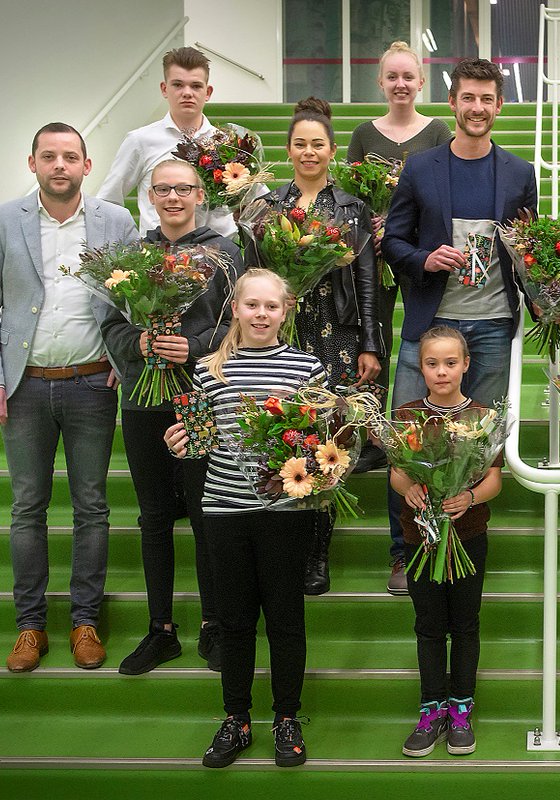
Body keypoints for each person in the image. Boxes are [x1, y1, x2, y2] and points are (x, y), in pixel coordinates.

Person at [0, 123, 137, 672]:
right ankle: (30, 626)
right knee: (27, 508)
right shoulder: (2, 221)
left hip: (92, 383)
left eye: (70, 156)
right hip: (23, 386)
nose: (59, 165)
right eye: (49, 156)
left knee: (92, 507)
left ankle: (85, 621)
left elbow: (135, 298)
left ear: (88, 166)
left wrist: (122, 358)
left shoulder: (116, 220)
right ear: (33, 163)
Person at [382, 56, 536, 596]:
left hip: (493, 326)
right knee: (407, 440)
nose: (477, 108)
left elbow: (530, 252)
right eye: (467, 98)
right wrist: (426, 258)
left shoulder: (519, 173)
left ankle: (464, 544)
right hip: (432, 325)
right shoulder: (421, 168)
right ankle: (405, 551)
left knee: (479, 444)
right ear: (452, 103)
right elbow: (393, 242)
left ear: (499, 105)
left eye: (487, 99)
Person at [165, 269, 325, 769]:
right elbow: (203, 439)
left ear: (286, 311)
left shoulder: (307, 369)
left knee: (285, 619)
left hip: (285, 513)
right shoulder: (208, 370)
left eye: (271, 307)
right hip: (225, 511)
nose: (261, 314)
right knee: (233, 622)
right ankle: (236, 719)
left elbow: (322, 442)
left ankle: (286, 718)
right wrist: (183, 442)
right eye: (251, 305)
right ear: (235, 308)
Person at [100, 158, 244, 675]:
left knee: (207, 517)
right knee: (154, 517)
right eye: (163, 189)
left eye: (184, 188)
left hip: (201, 398)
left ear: (201, 194)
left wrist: (197, 345)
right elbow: (110, 327)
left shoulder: (226, 253)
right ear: (149, 195)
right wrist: (137, 341)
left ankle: (214, 625)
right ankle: (160, 628)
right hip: (142, 400)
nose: (174, 197)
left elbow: (240, 324)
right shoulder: (131, 255)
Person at [245, 97, 384, 596]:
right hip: (278, 336)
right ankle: (286, 546)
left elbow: (367, 282)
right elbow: (252, 278)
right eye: (300, 144)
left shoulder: (352, 208)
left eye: (318, 144)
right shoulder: (266, 210)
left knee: (326, 442)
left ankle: (317, 554)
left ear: (332, 151)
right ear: (288, 150)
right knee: (282, 434)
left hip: (337, 336)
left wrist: (371, 343)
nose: (309, 152)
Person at [346, 40, 453, 596]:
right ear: (381, 81)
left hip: (421, 274)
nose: (401, 84)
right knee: (376, 356)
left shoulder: (438, 134)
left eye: (409, 76)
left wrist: (405, 238)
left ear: (422, 80)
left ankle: (440, 529)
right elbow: (350, 201)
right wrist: (375, 235)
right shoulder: (363, 136)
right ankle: (401, 543)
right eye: (392, 77)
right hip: (374, 257)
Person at [393, 326, 504, 759]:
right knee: (428, 625)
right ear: (421, 368)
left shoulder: (482, 417)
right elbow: (398, 472)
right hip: (420, 535)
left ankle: (461, 707)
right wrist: (409, 489)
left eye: (450, 363)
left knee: (465, 622)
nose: (442, 372)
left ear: (466, 365)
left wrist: (470, 496)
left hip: (468, 533)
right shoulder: (406, 415)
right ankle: (431, 707)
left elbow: (494, 478)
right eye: (432, 364)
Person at [97, 46, 236, 237]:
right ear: (164, 89)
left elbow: (257, 201)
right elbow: (107, 201)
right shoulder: (140, 141)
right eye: (178, 85)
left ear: (208, 92)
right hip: (160, 256)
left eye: (196, 86)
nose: (187, 93)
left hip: (219, 254)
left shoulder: (228, 144)